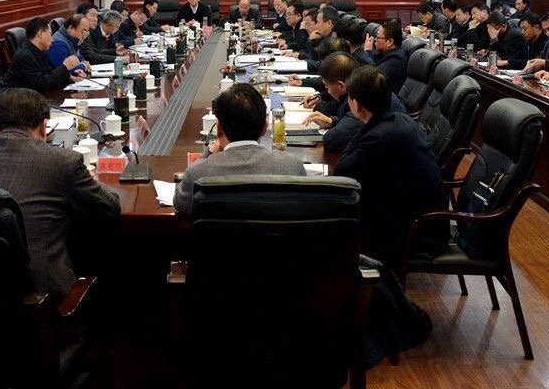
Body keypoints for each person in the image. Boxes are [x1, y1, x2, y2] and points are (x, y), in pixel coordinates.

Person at [0, 88, 120, 301]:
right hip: (43, 298)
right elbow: (110, 207)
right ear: (43, 127)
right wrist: (91, 179)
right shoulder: (63, 161)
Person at [334, 66, 449, 269]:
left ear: (356, 104)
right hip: (420, 220)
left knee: (334, 222)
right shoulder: (399, 119)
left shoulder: (380, 136)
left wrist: (360, 123)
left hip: (416, 234)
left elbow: (342, 170)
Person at [173, 83, 306, 215]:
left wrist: (208, 153)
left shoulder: (197, 174)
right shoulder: (293, 167)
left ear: (219, 129)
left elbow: (180, 202)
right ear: (264, 128)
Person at [303, 53, 405, 153]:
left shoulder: (360, 99)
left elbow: (332, 141)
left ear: (341, 86)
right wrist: (332, 122)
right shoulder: (366, 87)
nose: (327, 91)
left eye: (327, 86)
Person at [3, 17, 79, 92]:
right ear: (41, 34)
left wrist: (69, 77)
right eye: (50, 34)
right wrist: (65, 67)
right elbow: (41, 84)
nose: (52, 39)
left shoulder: (41, 50)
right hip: (14, 97)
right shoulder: (24, 56)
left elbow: (49, 73)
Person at [367, 20, 408, 92]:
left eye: (378, 37)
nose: (375, 39)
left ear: (390, 42)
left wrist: (367, 52)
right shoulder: (385, 52)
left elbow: (372, 77)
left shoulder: (396, 59)